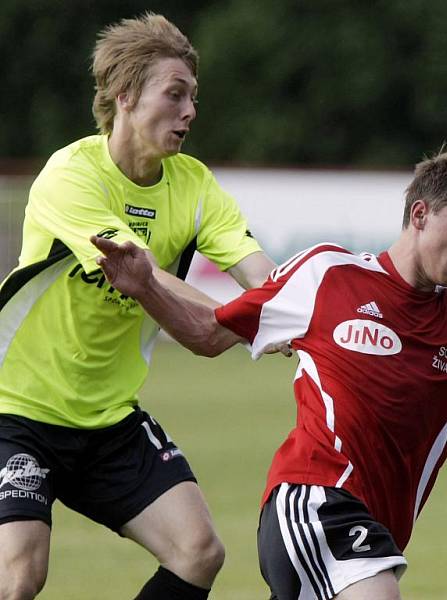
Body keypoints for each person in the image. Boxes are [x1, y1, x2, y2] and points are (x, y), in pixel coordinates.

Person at [90, 149, 447, 600]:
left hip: (375, 533)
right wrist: (146, 288)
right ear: (421, 214)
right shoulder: (328, 275)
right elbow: (209, 334)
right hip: (312, 501)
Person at [0, 13, 279, 600]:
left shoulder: (195, 185)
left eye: (193, 97)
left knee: (198, 553)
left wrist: (290, 304)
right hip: (15, 411)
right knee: (20, 572)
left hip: (108, 420)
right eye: (174, 94)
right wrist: (243, 318)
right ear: (125, 97)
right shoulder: (71, 174)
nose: (190, 112)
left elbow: (260, 276)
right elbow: (137, 268)